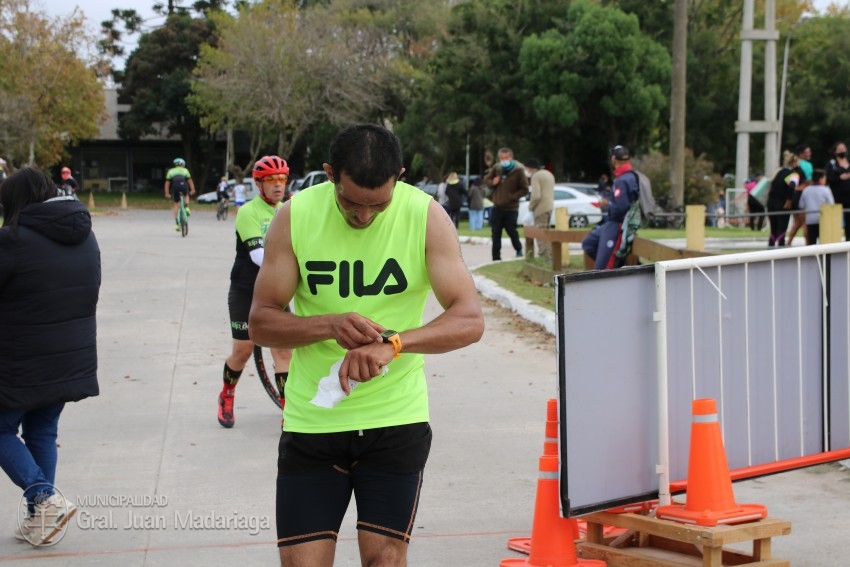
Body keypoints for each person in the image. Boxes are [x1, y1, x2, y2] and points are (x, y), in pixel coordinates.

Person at [248, 124, 484, 567]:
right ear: (329, 174)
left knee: (385, 561)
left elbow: (469, 319)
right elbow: (260, 321)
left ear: (399, 175)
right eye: (350, 202)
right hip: (313, 424)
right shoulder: (294, 216)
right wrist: (328, 325)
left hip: (395, 421)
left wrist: (393, 344)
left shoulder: (425, 214)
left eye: (379, 204)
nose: (363, 216)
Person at [0, 168, 100, 546]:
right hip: (69, 354)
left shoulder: (11, 240)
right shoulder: (85, 235)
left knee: (1, 428)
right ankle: (41, 517)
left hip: (20, 358)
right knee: (42, 429)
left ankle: (43, 498)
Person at [218, 156, 293, 428]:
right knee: (243, 351)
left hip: (276, 293)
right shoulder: (249, 211)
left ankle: (288, 410)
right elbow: (260, 257)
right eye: (271, 180)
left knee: (284, 354)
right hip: (246, 290)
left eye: (282, 179)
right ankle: (227, 394)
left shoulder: (286, 209)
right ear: (259, 184)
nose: (278, 185)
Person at [582, 145, 640, 270]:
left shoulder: (622, 180)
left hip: (618, 225)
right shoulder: (630, 176)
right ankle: (619, 266)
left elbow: (620, 209)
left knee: (604, 268)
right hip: (614, 224)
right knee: (589, 243)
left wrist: (607, 205)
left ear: (614, 159)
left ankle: (615, 270)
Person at [484, 147, 528, 260]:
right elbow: (486, 180)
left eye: (506, 158)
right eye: (502, 158)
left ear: (511, 157)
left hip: (511, 208)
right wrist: (492, 182)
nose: (504, 160)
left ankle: (518, 249)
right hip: (497, 206)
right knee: (496, 233)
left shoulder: (519, 170)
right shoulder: (497, 168)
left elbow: (524, 189)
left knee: (511, 230)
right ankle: (496, 257)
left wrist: (512, 197)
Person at [766, 150, 802, 247]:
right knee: (782, 228)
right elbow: (791, 186)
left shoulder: (778, 172)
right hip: (782, 204)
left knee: (773, 228)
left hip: (771, 203)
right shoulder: (793, 174)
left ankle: (770, 247)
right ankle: (781, 248)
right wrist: (789, 199)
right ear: (794, 163)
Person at [524, 158, 554, 261]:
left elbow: (536, 196)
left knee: (540, 234)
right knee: (547, 233)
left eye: (526, 168)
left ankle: (544, 257)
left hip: (540, 208)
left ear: (531, 168)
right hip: (549, 207)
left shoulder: (536, 176)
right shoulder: (548, 174)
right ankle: (550, 256)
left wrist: (530, 208)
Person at [798, 169, 835, 245]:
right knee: (825, 243)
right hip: (823, 220)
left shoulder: (806, 190)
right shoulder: (826, 190)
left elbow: (801, 205)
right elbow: (832, 204)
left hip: (810, 220)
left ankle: (813, 257)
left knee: (812, 242)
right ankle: (826, 257)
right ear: (821, 179)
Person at [787, 144, 813, 246]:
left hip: (794, 196)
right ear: (800, 154)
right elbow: (809, 181)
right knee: (805, 222)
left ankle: (788, 243)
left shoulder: (792, 166)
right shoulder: (807, 165)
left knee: (797, 223)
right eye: (807, 152)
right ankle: (808, 245)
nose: (809, 154)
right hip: (803, 195)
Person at [826, 141, 850, 241]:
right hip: (837, 196)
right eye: (840, 149)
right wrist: (840, 178)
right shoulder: (832, 164)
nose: (842, 151)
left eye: (844, 149)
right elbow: (828, 178)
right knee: (836, 220)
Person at [164, 158, 195, 231]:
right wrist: (193, 190)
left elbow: (167, 184)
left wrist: (167, 193)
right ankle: (187, 207)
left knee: (175, 204)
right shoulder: (185, 170)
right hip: (183, 184)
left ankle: (177, 223)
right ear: (182, 164)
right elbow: (190, 181)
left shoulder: (171, 171)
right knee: (186, 195)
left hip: (175, 186)